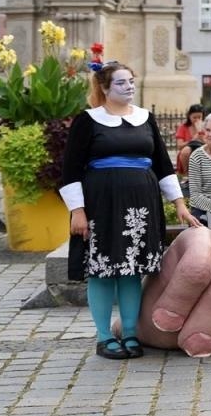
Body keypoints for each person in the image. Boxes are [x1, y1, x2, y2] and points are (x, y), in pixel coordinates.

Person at [59, 60, 199, 360]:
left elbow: (163, 165)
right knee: (103, 270)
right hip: (102, 206)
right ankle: (104, 336)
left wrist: (180, 206)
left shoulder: (145, 118)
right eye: (122, 83)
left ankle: (132, 333)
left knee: (132, 271)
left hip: (141, 207)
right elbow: (70, 169)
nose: (129, 87)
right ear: (105, 88)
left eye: (131, 81)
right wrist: (77, 211)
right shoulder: (88, 120)